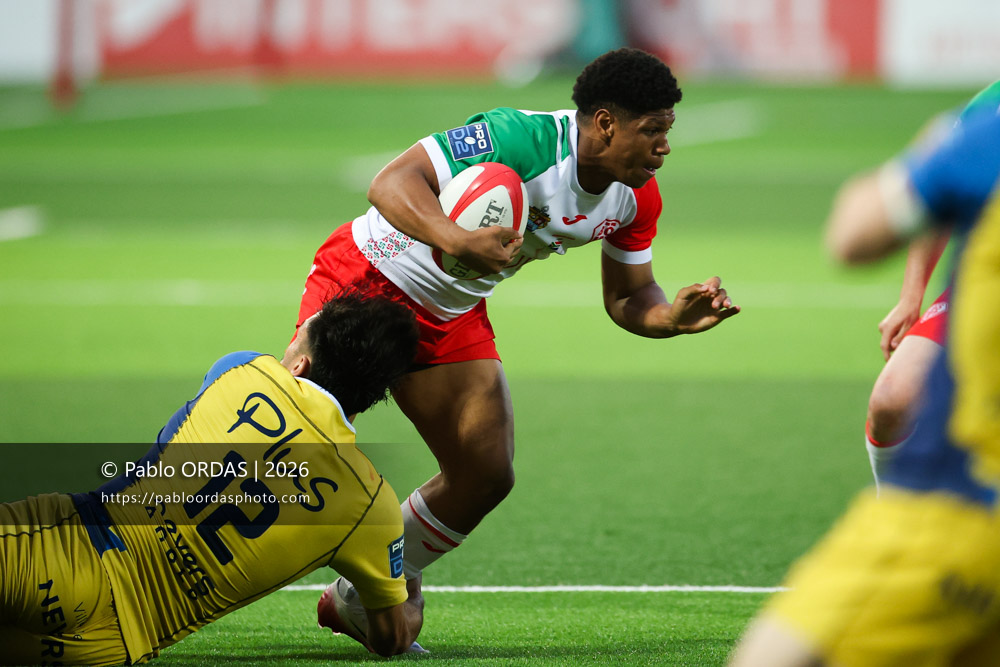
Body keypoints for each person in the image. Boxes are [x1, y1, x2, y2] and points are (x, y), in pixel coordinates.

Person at [293, 47, 741, 645]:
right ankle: (149, 529)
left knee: (485, 471)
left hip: (450, 311)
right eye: (652, 130)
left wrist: (668, 318)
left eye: (668, 131)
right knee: (284, 444)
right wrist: (455, 237)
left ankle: (364, 588)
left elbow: (628, 295)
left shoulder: (635, 198)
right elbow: (391, 181)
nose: (664, 146)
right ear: (605, 122)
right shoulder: (520, 137)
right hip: (368, 277)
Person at [0, 293, 424, 666]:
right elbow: (391, 640)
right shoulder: (371, 505)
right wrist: (409, 592)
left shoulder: (241, 371)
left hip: (55, 550)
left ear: (300, 364)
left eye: (294, 341)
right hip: (107, 644)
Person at [728, 104, 1000, 666]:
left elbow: (853, 236)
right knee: (893, 397)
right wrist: (912, 294)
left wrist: (931, 150)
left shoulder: (991, 129)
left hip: (961, 517)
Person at [864, 79, 1000, 491]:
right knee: (892, 398)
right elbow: (937, 195)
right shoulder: (989, 107)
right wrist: (911, 296)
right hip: (985, 286)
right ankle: (893, 516)